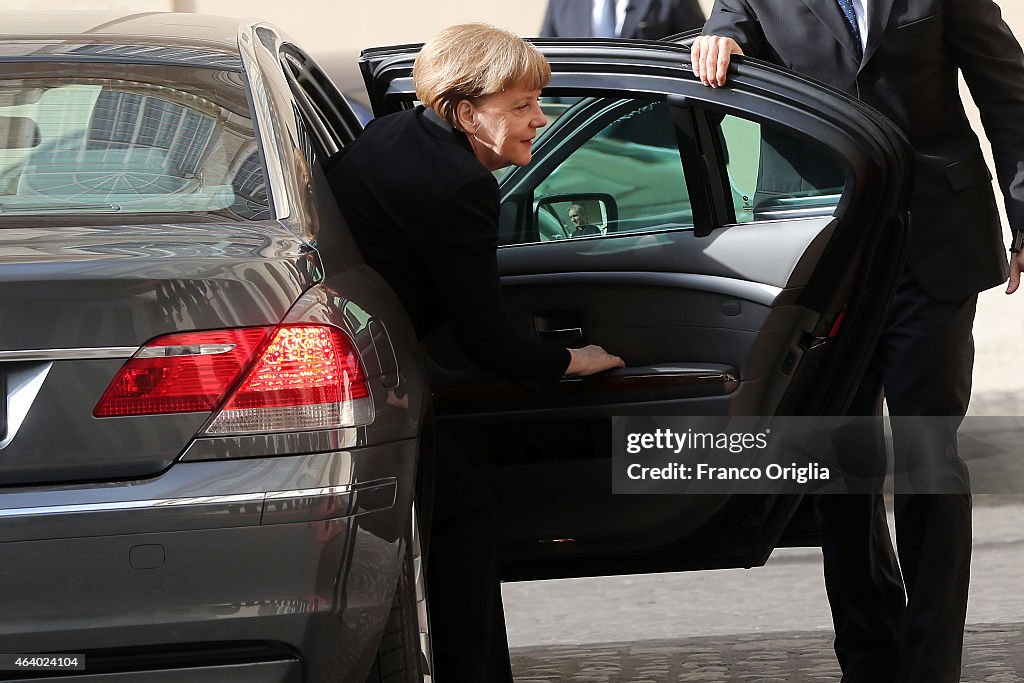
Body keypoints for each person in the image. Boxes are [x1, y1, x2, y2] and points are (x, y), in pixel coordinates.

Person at [692, 2, 1024, 682]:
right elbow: (731, 30)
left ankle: (931, 664)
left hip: (933, 240)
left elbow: (1008, 91)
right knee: (841, 459)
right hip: (820, 253)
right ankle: (869, 657)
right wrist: (720, 40)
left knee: (928, 451)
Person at [327, 23, 624, 682]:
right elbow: (483, 335)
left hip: (369, 360)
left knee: (458, 514)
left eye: (535, 103)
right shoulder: (463, 186)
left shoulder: (396, 134)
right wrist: (567, 361)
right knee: (461, 517)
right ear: (465, 111)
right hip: (370, 381)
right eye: (519, 106)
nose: (539, 119)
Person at [540, 0, 705, 39]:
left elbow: (695, 47)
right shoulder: (562, 3)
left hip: (647, 115)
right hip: (579, 120)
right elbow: (547, 64)